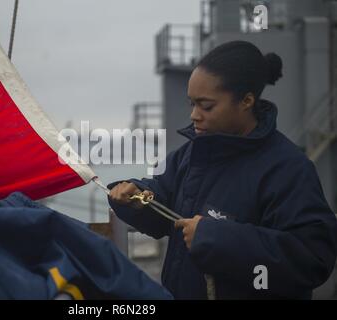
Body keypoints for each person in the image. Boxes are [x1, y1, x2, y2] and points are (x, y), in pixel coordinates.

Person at [108, 40, 337, 299]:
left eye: (206, 106)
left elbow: (312, 258)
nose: (194, 115)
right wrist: (136, 196)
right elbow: (162, 195)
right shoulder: (191, 154)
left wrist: (217, 239)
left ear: (246, 101)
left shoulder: (287, 168)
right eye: (191, 104)